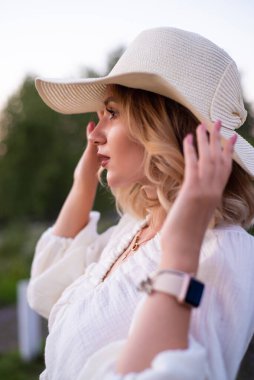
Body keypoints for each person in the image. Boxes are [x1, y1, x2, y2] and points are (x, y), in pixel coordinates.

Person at [27, 27, 254, 380]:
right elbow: (48, 290)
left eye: (112, 114)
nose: (95, 133)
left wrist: (179, 255)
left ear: (161, 125)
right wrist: (83, 181)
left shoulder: (226, 253)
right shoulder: (135, 227)